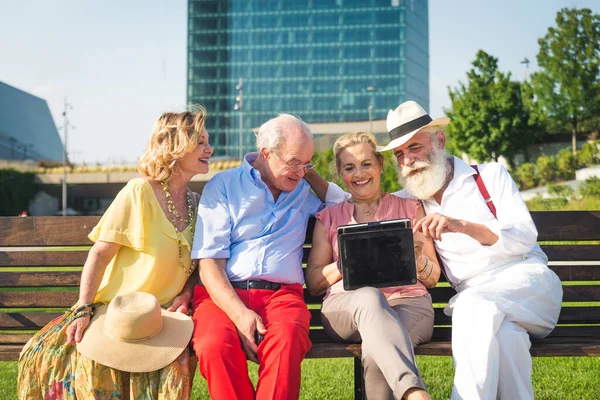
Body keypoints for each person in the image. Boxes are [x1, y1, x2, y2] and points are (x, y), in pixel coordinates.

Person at [328, 100, 563, 400]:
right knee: (506, 342)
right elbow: (354, 190)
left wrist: (462, 226)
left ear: (439, 141)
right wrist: (308, 173)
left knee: (470, 307)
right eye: (400, 154)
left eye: (414, 147)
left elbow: (524, 238)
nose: (408, 160)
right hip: (484, 305)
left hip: (528, 284)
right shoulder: (411, 200)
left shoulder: (489, 176)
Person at [18, 107, 213, 399]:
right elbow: (99, 255)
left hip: (167, 320)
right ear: (176, 146)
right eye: (200, 142)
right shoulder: (139, 192)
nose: (210, 148)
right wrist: (82, 309)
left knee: (176, 367)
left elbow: (198, 265)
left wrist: (185, 295)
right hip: (117, 314)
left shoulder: (197, 202)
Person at [190, 114, 330, 400]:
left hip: (282, 297)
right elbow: (209, 264)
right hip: (222, 294)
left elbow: (345, 203)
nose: (301, 172)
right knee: (213, 345)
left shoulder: (305, 191)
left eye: (307, 163)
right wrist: (240, 315)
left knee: (288, 339)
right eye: (294, 162)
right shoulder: (223, 186)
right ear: (266, 153)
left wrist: (305, 170)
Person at [305, 132, 440, 400]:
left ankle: (413, 393)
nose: (359, 174)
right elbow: (314, 282)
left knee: (376, 350)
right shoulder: (329, 217)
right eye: (349, 167)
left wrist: (417, 261)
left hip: (408, 303)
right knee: (369, 296)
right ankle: (414, 393)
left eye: (366, 164)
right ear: (341, 174)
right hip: (346, 308)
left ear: (379, 164)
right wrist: (347, 262)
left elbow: (433, 278)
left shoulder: (411, 209)